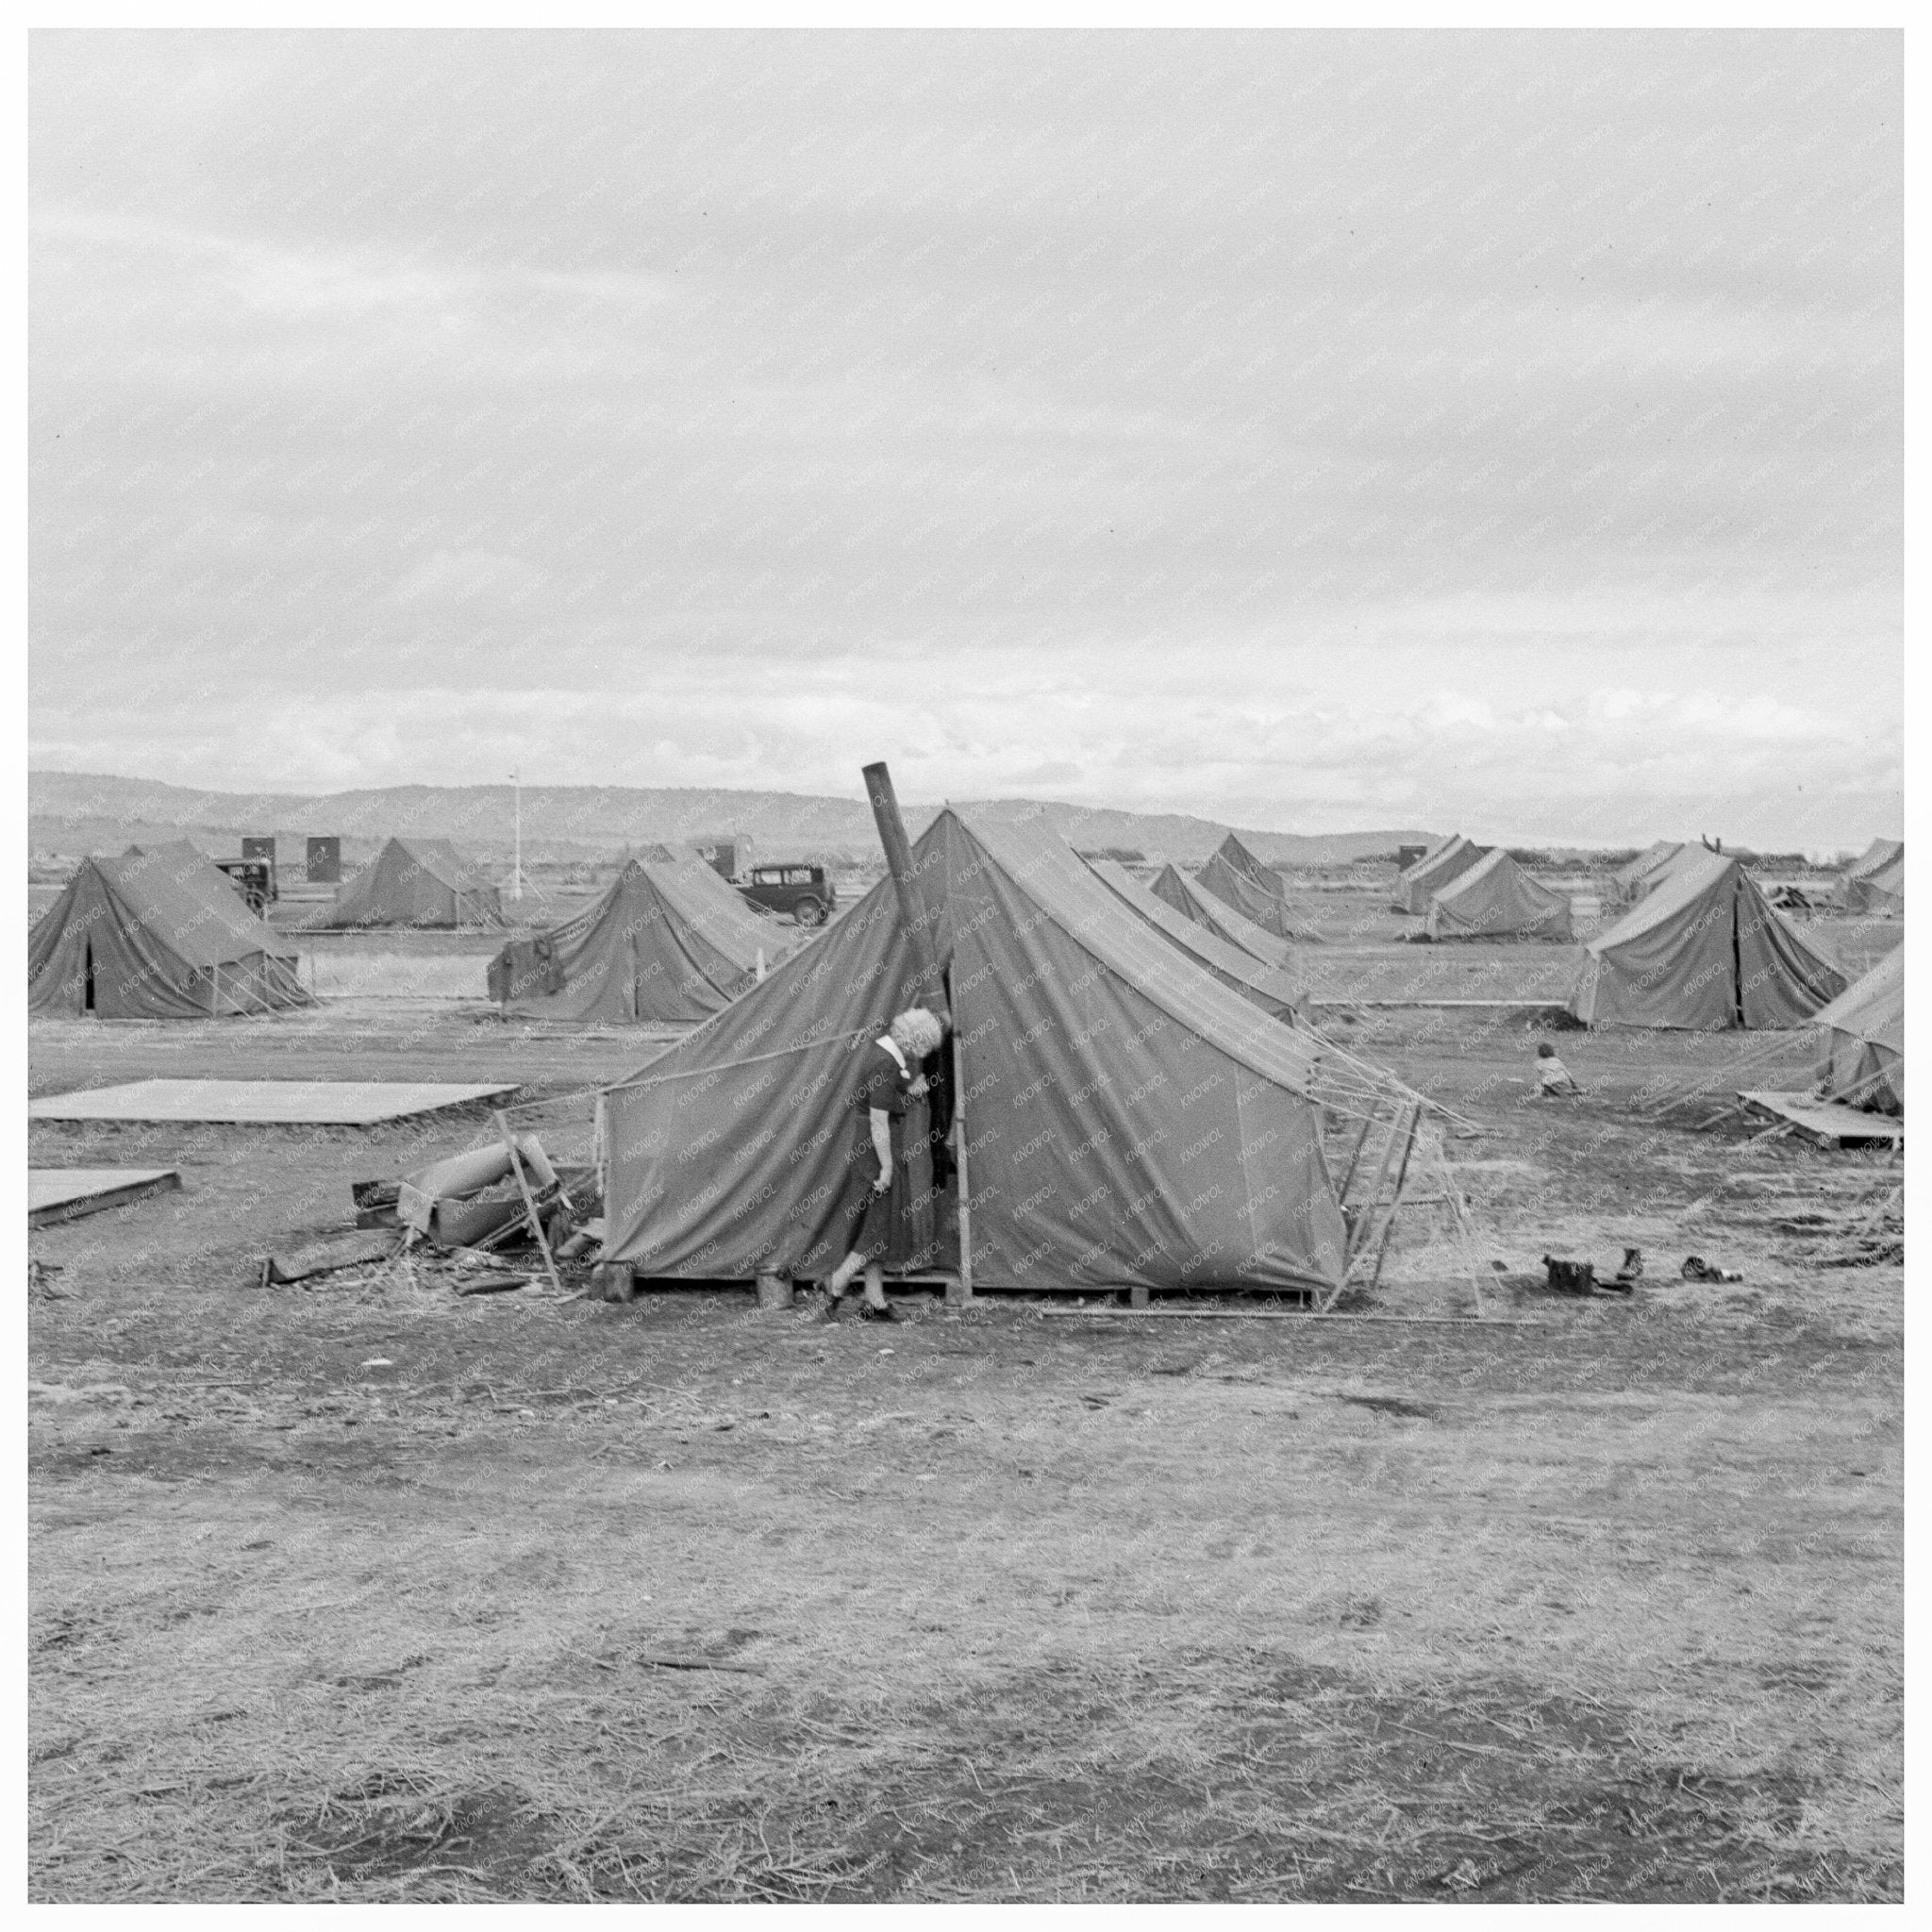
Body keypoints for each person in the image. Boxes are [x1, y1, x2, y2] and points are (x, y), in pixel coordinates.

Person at [822, 1006, 949, 1323]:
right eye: (923, 1047)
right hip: (876, 1148)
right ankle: (837, 1282)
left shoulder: (887, 1054)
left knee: (875, 1224)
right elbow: (878, 1121)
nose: (921, 1054)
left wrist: (908, 1089)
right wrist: (887, 1167)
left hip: (876, 1145)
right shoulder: (885, 1063)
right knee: (878, 1226)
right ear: (916, 1041)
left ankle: (874, 1301)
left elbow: (889, 1094)